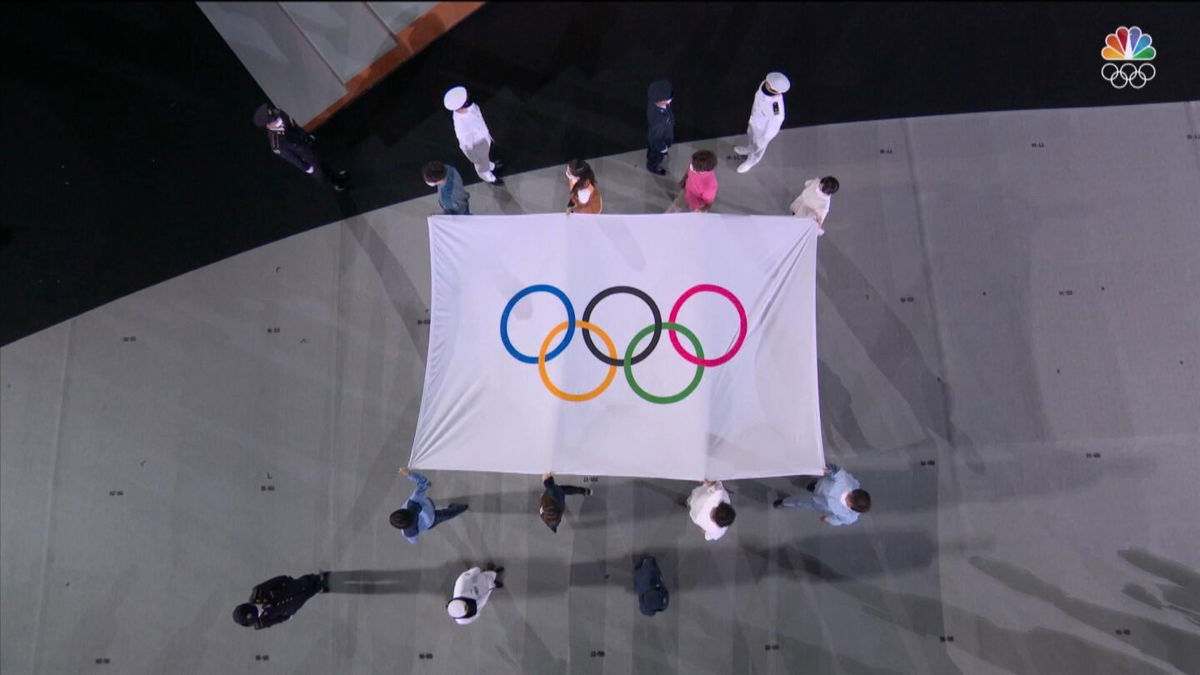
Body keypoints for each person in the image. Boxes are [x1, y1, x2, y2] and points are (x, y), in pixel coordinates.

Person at [252, 103, 347, 191]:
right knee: (321, 174)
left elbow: (294, 126)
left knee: (324, 163)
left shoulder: (280, 114)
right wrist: (306, 168)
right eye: (274, 120)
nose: (278, 119)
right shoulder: (276, 143)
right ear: (268, 126)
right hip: (306, 158)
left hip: (307, 144)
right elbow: (291, 158)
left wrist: (307, 136)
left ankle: (337, 176)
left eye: (276, 117)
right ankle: (333, 186)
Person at [443, 86, 504, 186]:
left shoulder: (472, 107)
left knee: (486, 158)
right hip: (477, 146)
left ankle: (491, 166)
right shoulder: (461, 124)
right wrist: (474, 157)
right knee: (482, 165)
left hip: (483, 138)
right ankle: (490, 178)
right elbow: (465, 143)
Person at [773, 462, 871, 526]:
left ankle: (784, 502)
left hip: (818, 502)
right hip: (822, 485)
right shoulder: (848, 483)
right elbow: (839, 474)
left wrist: (828, 519)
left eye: (850, 499)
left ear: (851, 506)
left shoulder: (848, 516)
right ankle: (812, 486)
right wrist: (830, 470)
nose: (848, 494)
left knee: (800, 501)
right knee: (814, 486)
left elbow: (838, 520)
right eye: (851, 493)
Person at [390, 467, 469, 543]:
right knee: (443, 510)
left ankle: (462, 508)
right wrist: (409, 473)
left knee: (448, 514)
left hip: (431, 521)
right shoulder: (413, 501)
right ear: (403, 510)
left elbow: (414, 540)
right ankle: (460, 508)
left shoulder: (409, 532)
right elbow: (423, 482)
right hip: (428, 504)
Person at [733, 72, 790, 174]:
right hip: (754, 122)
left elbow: (773, 128)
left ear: (776, 91)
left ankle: (751, 161)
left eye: (769, 84)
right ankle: (749, 148)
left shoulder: (776, 109)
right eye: (767, 82)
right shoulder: (763, 85)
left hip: (762, 131)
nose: (766, 84)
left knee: (758, 148)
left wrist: (763, 140)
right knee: (750, 137)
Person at [232, 572, 329, 630]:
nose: (258, 614)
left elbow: (275, 581)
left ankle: (321, 578)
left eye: (256, 611)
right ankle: (319, 588)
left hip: (291, 588)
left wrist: (288, 580)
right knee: (307, 595)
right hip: (291, 606)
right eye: (256, 617)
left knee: (307, 581)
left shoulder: (258, 592)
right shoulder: (260, 623)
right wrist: (288, 616)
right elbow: (275, 621)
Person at [645, 78, 675, 176]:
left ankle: (652, 155)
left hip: (659, 137)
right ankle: (653, 166)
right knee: (657, 156)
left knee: (652, 149)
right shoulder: (657, 120)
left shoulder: (658, 104)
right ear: (661, 101)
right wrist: (663, 148)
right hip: (658, 143)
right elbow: (656, 138)